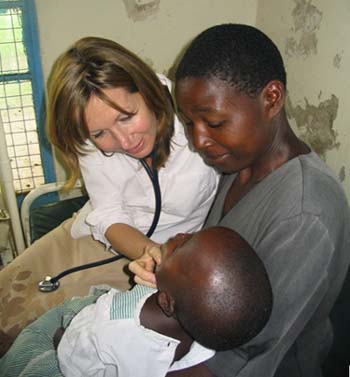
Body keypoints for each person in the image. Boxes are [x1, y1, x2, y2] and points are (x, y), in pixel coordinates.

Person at [129, 24, 350, 377]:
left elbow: (247, 356)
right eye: (189, 123)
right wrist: (169, 273)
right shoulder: (237, 167)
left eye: (214, 122)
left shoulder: (306, 213)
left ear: (272, 99)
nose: (198, 141)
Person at [0, 37, 219, 339]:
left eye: (127, 118)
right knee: (6, 298)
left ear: (148, 89)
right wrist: (149, 252)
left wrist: (161, 260)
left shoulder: (193, 115)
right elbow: (108, 214)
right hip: (98, 235)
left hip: (155, 263)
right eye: (101, 133)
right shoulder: (86, 125)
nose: (126, 142)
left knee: (30, 332)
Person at [0, 226, 273, 377]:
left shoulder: (115, 328)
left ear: (166, 302)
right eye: (192, 236)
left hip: (78, 344)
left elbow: (78, 362)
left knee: (29, 346)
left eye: (182, 245)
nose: (180, 235)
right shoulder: (202, 324)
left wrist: (65, 339)